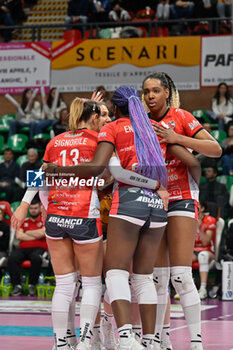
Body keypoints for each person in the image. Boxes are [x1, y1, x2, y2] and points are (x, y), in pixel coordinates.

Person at [142, 72, 222, 350]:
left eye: (155, 91)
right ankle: (161, 340)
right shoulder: (140, 123)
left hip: (182, 197)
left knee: (181, 275)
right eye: (146, 92)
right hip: (151, 200)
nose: (150, 96)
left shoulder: (181, 116)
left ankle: (196, 343)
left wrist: (177, 138)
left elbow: (215, 149)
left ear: (167, 92)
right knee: (157, 278)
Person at [8, 198, 47, 296]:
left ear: (39, 208)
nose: (33, 210)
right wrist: (36, 235)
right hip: (23, 248)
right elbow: (18, 236)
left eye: (35, 208)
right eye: (31, 208)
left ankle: (32, 285)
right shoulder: (23, 221)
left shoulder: (44, 221)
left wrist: (27, 232)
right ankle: (17, 286)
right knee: (12, 258)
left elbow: (43, 233)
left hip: (39, 248)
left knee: (36, 258)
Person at [192, 201, 216, 300]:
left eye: (197, 206)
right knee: (182, 258)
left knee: (203, 256)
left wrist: (199, 227)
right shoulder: (189, 220)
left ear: (202, 208)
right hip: (193, 250)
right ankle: (188, 289)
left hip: (208, 252)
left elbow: (206, 242)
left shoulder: (211, 220)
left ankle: (203, 289)